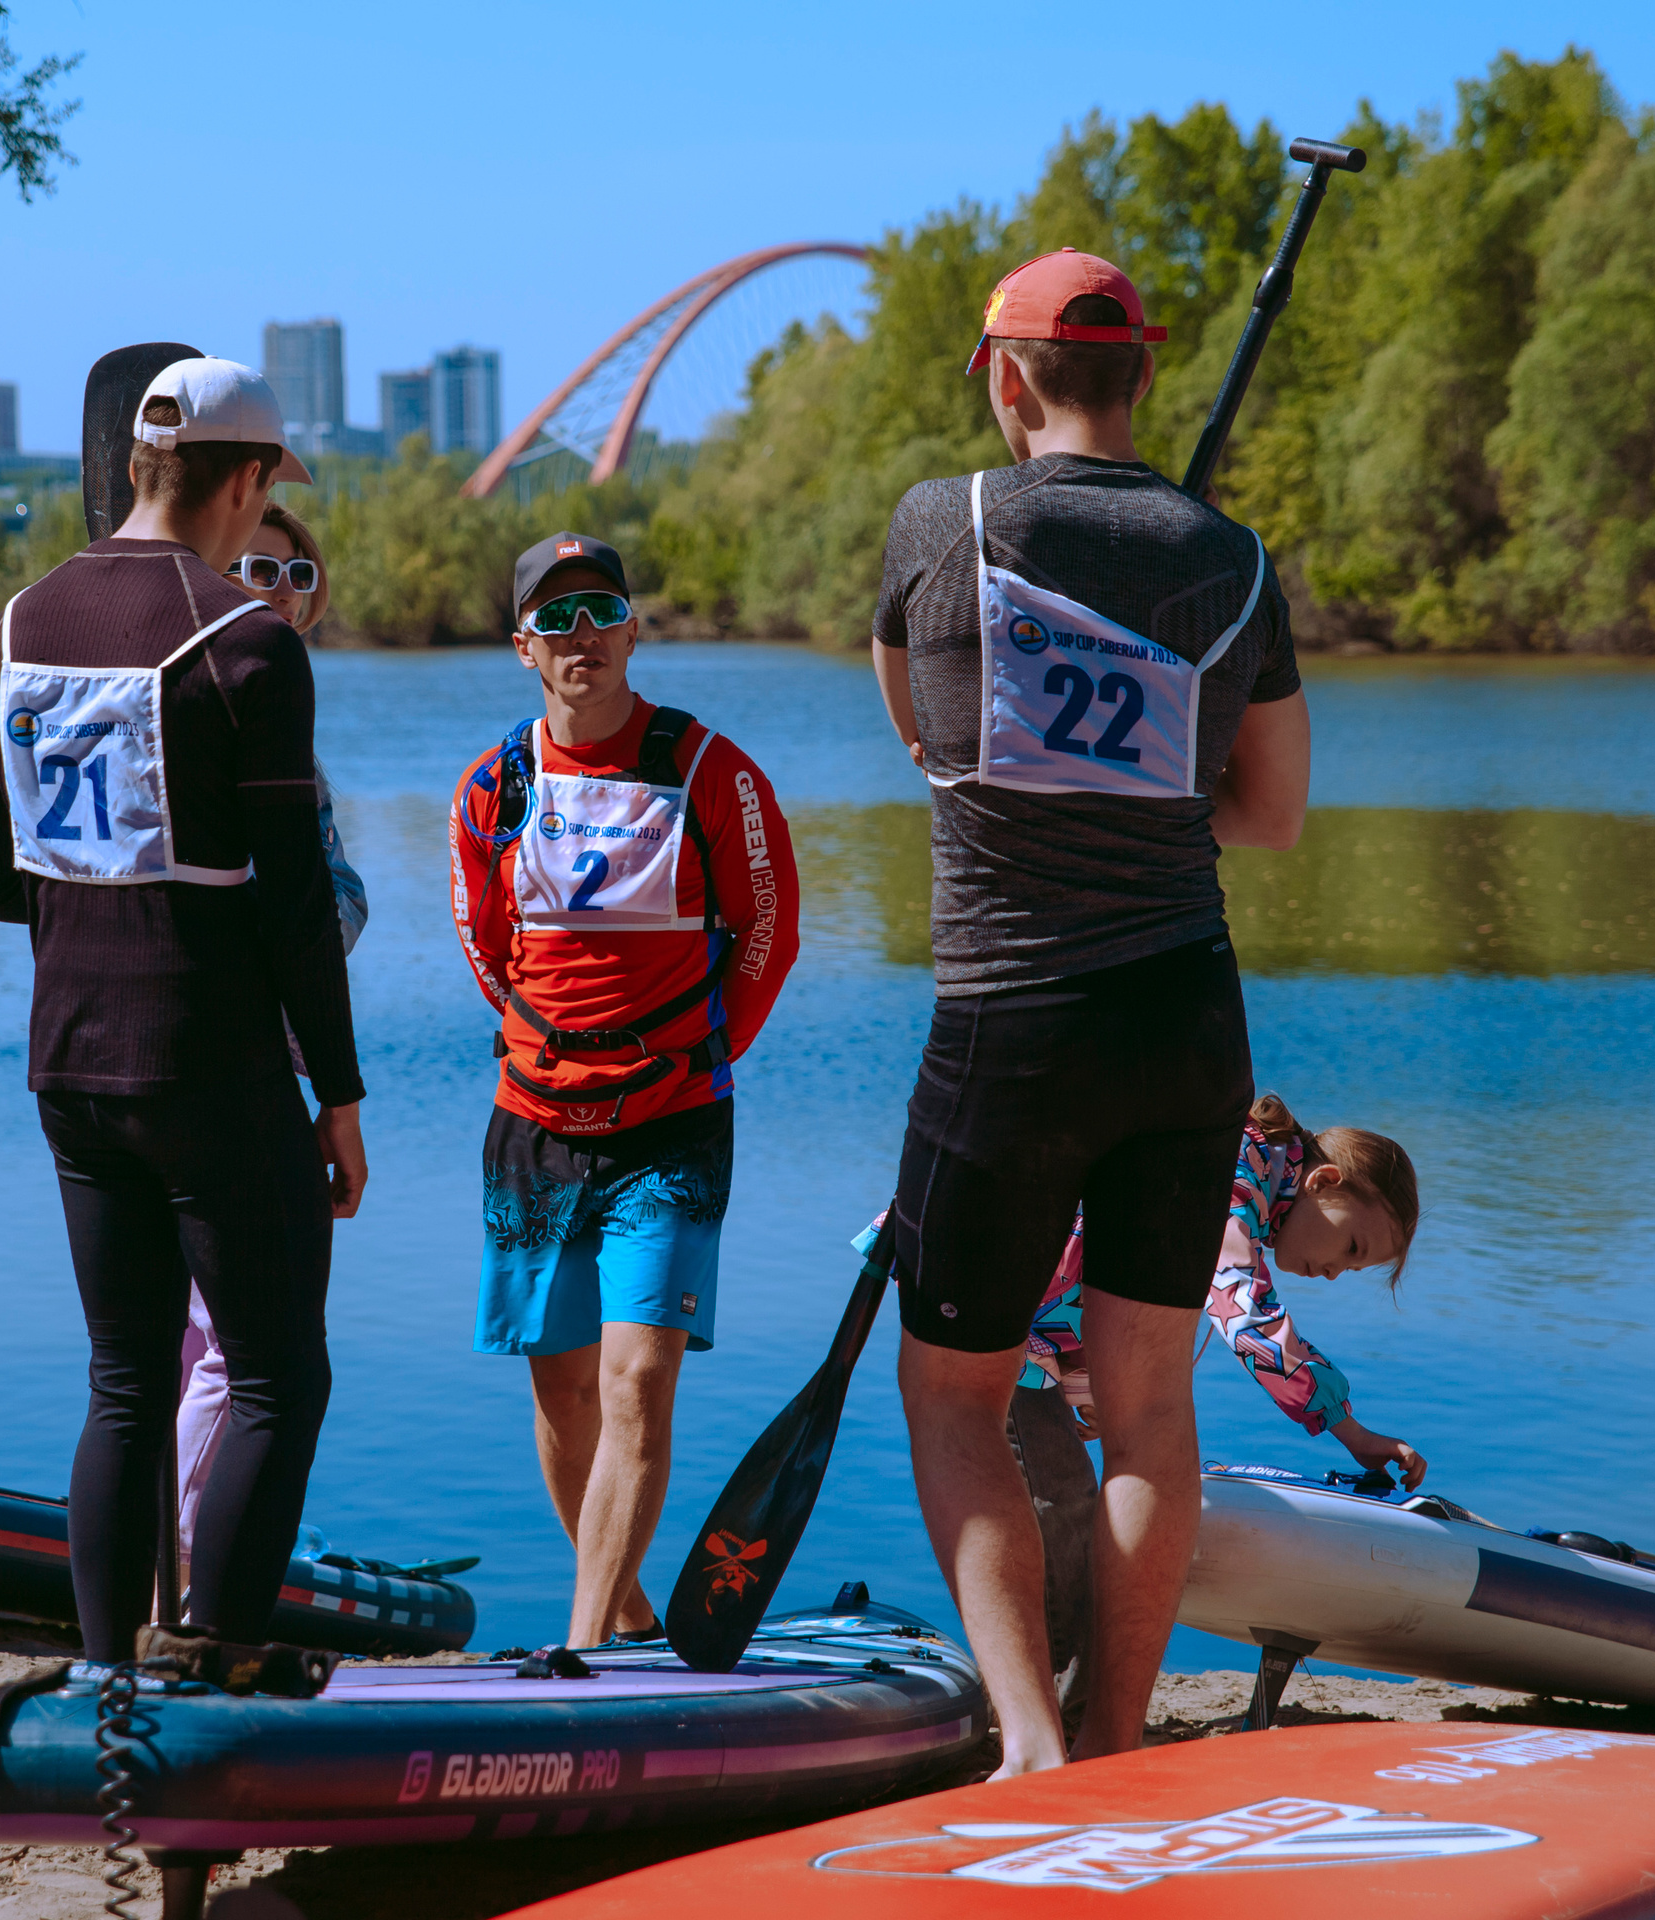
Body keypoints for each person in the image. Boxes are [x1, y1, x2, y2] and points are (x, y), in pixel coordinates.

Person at [870, 248, 1311, 1773]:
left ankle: (1032, 1745)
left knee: (953, 1394)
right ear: (1144, 376)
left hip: (1011, 1019)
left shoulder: (941, 522)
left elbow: (921, 741)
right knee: (1149, 1408)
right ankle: (1118, 1731)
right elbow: (1271, 815)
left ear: (1006, 377)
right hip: (1185, 1019)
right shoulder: (1233, 559)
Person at [0, 355, 367, 1666]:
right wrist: (339, 1095)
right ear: (244, 481)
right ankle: (212, 1674)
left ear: (140, 465)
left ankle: (106, 1676)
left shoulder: (11, 630)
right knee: (277, 1377)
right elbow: (297, 912)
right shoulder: (247, 644)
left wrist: (102, 914)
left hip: (70, 1067)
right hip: (214, 1070)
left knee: (125, 1383)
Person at [449, 532, 801, 1654]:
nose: (581, 635)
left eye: (600, 610)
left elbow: (767, 933)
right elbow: (485, 943)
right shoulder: (493, 786)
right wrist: (554, 1047)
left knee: (637, 1380)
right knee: (561, 1394)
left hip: (672, 1126)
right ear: (523, 648)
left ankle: (585, 1645)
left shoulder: (710, 770)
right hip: (534, 1125)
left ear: (634, 630)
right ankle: (630, 1610)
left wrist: (696, 1052)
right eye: (555, 619)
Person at [1008, 1093, 1423, 1720]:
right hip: (1002, 1308)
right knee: (1061, 1506)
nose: (1336, 1272)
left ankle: (1063, 1708)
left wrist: (1090, 1386)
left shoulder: (1246, 1173)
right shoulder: (1233, 1183)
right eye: (1352, 1248)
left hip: (1031, 1325)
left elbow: (1131, 1265)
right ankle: (1067, 1718)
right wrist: (1349, 1431)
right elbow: (1244, 1312)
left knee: (1065, 1506)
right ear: (1324, 1182)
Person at [177, 500, 366, 1566]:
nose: (282, 592)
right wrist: (338, 1096)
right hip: (238, 1072)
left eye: (298, 574)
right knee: (248, 1353)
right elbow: (303, 914)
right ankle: (190, 1563)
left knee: (182, 1339)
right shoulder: (247, 717)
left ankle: (164, 1555)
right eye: (257, 568)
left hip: (165, 1060)